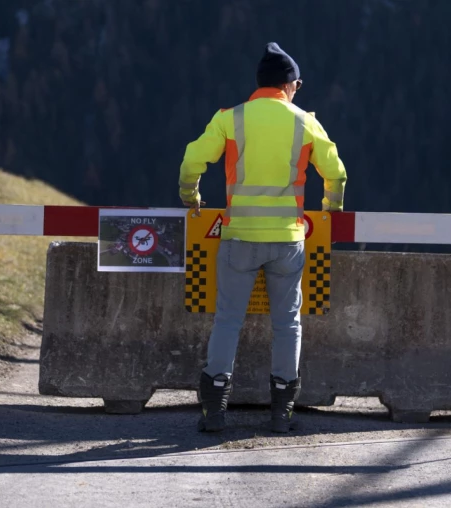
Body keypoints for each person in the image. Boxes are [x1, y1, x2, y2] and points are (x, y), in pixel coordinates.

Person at [178, 42, 347, 433]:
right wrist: (331, 206)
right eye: (298, 85)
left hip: (239, 238)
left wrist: (191, 196)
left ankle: (215, 412)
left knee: (228, 321)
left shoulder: (230, 119)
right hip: (288, 241)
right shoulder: (306, 123)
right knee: (287, 325)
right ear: (288, 85)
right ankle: (281, 414)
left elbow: (191, 161)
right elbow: (336, 173)